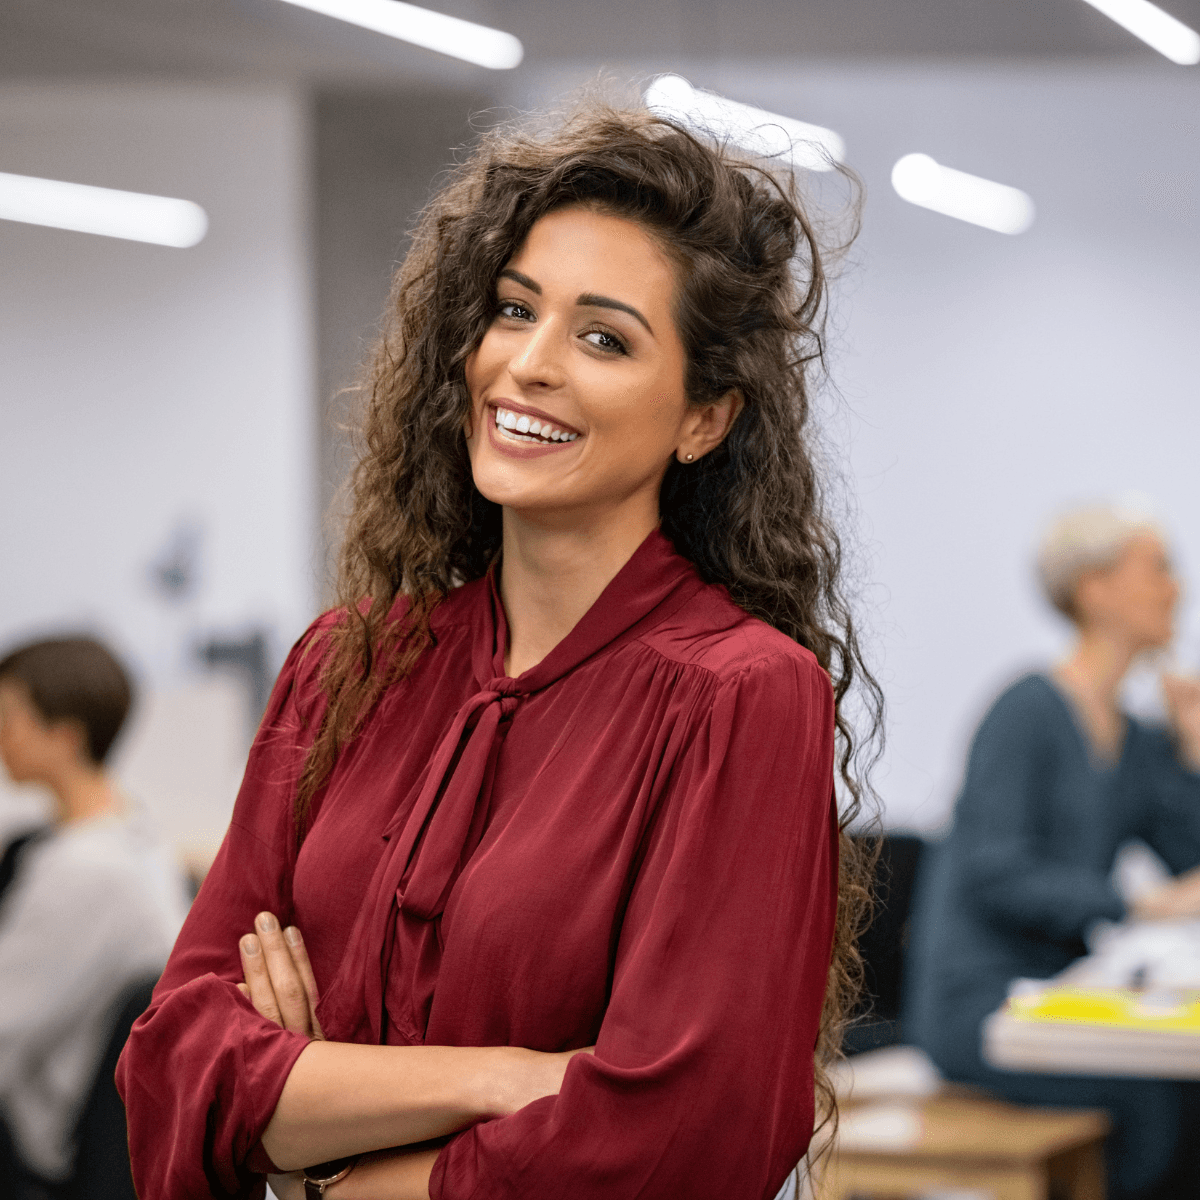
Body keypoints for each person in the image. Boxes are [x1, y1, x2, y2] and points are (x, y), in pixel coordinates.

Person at [118, 99, 879, 1200]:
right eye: (513, 311)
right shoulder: (345, 665)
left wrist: (324, 1157)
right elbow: (174, 1062)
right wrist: (508, 1078)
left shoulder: (741, 695)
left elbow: (689, 1137)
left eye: (604, 337)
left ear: (704, 418)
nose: (527, 364)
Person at [905, 501, 1200, 1200]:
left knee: (1185, 1100)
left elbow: (1188, 859)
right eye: (1156, 569)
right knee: (1156, 1110)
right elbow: (995, 871)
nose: (1175, 589)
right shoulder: (1026, 710)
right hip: (982, 1009)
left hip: (1064, 1006)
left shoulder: (1137, 737)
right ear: (1094, 589)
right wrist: (1139, 903)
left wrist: (1191, 754)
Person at [0, 636, 188, 1194]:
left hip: (41, 1146)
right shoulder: (133, 836)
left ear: (63, 736)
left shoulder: (82, 872)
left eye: (10, 718)